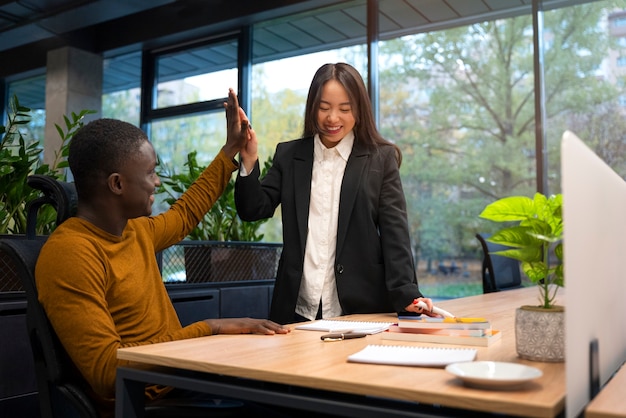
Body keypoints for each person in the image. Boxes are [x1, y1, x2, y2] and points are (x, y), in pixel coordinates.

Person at [35, 89, 290, 418]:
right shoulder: (70, 254)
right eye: (150, 173)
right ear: (117, 184)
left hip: (178, 378)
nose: (156, 182)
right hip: (143, 401)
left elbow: (185, 214)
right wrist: (209, 328)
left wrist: (230, 150)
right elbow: (105, 371)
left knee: (283, 395)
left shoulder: (135, 231)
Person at [234, 62, 436, 325]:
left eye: (345, 108)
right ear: (312, 107)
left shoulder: (379, 159)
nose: (333, 118)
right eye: (324, 107)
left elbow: (394, 231)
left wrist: (406, 292)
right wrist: (249, 159)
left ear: (359, 110)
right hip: (297, 309)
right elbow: (253, 209)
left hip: (361, 308)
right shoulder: (290, 155)